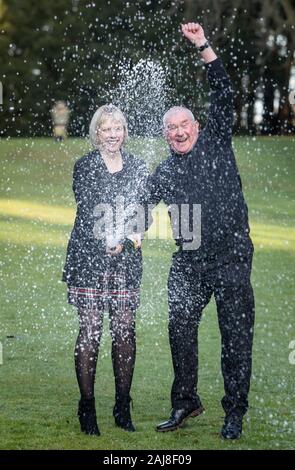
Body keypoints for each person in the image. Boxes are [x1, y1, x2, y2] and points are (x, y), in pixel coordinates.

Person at [146, 23, 255, 439]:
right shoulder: (166, 170)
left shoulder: (217, 142)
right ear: (165, 135)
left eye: (183, 124)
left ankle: (234, 412)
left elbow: (224, 93)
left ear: (196, 126)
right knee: (180, 325)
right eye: (170, 128)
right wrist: (122, 233)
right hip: (189, 260)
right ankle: (185, 401)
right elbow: (141, 208)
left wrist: (204, 47)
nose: (178, 131)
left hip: (230, 257)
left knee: (235, 336)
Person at [62, 104, 149, 436]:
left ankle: (122, 404)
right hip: (89, 257)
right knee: (91, 330)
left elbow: (144, 209)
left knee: (125, 330)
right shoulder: (85, 166)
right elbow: (88, 208)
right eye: (106, 129)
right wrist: (108, 238)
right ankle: (87, 405)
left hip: (126, 260)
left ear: (124, 132)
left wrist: (133, 233)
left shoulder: (138, 166)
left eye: (118, 129)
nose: (113, 134)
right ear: (96, 133)